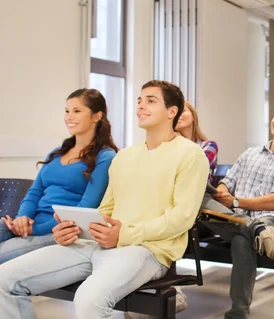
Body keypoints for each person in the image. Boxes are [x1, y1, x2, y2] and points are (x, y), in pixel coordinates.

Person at [0, 80, 208, 319]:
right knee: (4, 279)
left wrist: (124, 235)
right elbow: (107, 207)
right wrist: (72, 228)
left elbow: (181, 218)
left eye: (151, 101)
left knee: (89, 299)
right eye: (140, 100)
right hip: (97, 243)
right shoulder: (126, 156)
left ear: (172, 111)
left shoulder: (191, 155)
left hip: (147, 250)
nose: (141, 106)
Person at [201, 101, 274, 319]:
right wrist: (221, 192)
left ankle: (238, 313)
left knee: (243, 240)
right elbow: (228, 182)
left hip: (272, 221)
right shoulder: (250, 154)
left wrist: (236, 202)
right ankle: (254, 229)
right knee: (199, 199)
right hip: (237, 217)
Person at [0, 89, 117, 264]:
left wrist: (35, 229)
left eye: (77, 111)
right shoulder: (56, 153)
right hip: (28, 226)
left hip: (58, 232)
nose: (69, 117)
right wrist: (21, 218)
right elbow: (34, 192)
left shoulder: (105, 156)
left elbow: (85, 208)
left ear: (97, 116)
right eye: (67, 111)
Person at [176, 101, 218, 185]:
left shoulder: (209, 145)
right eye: (175, 113)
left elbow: (197, 167)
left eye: (183, 111)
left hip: (201, 194)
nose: (178, 115)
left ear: (193, 117)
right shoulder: (166, 145)